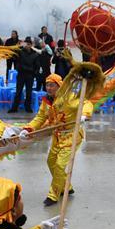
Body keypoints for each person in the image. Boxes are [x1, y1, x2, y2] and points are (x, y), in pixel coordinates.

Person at [21, 74, 94, 206]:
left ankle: (53, 195)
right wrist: (28, 129)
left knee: (60, 165)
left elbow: (86, 102)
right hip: (57, 135)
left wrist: (84, 115)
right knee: (51, 162)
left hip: (72, 135)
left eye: (52, 85)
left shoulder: (68, 97)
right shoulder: (46, 101)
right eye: (47, 85)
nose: (49, 88)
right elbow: (40, 118)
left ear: (59, 86)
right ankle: (67, 186)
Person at [8, 39, 38, 113]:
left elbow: (37, 66)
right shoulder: (20, 52)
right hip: (21, 74)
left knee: (29, 92)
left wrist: (34, 74)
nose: (27, 46)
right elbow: (13, 53)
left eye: (29, 44)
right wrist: (19, 45)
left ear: (31, 45)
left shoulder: (35, 54)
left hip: (30, 75)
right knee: (18, 91)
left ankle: (28, 107)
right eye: (26, 44)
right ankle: (14, 108)